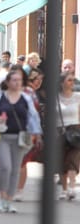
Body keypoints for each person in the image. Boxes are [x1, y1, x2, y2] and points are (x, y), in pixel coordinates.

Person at [0, 70, 42, 213]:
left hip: (20, 137)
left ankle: (9, 200)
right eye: (14, 80)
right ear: (8, 82)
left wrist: (37, 133)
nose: (17, 83)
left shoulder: (26, 98)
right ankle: (2, 198)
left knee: (15, 169)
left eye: (19, 80)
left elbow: (33, 117)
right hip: (2, 137)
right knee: (5, 167)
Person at [14, 68, 44, 201]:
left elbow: (34, 113)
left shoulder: (29, 92)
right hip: (9, 131)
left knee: (22, 161)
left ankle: (19, 190)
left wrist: (36, 133)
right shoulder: (5, 92)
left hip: (26, 131)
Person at [57, 71, 80, 200]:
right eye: (69, 80)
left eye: (73, 80)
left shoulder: (78, 97)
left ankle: (72, 188)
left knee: (73, 160)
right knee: (61, 161)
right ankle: (64, 189)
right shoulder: (55, 97)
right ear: (62, 83)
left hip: (75, 131)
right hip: (59, 131)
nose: (72, 83)